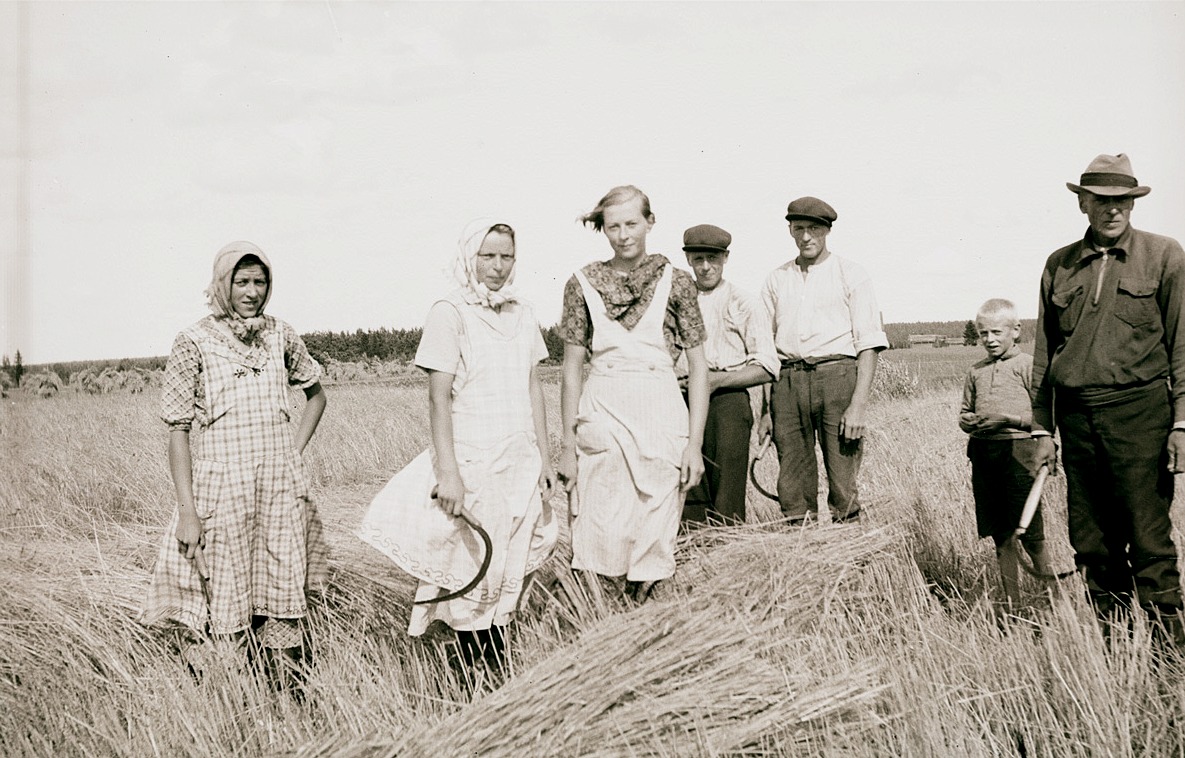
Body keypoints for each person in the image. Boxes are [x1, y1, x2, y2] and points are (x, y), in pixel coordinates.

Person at [141, 241, 329, 696]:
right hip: (223, 492)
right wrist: (188, 511)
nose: (251, 291)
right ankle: (234, 702)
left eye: (259, 281)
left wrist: (291, 455)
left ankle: (287, 699)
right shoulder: (193, 342)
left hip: (278, 490)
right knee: (227, 599)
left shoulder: (281, 334)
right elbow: (178, 431)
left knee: (281, 593)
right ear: (222, 284)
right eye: (241, 282)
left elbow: (316, 396)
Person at [372, 219, 557, 679]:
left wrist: (545, 458)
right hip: (474, 459)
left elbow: (533, 385)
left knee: (511, 569)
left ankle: (496, 678)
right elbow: (439, 397)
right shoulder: (449, 311)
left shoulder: (524, 313)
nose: (497, 267)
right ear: (469, 258)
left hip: (519, 459)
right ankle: (469, 684)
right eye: (487, 256)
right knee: (475, 569)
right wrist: (449, 473)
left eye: (506, 257)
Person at [1032, 153, 1185, 641]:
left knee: (1147, 537)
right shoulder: (1059, 264)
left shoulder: (1165, 256)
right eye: (1102, 200)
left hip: (1141, 415)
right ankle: (1116, 648)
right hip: (1077, 421)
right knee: (1092, 541)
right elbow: (1044, 356)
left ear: (1133, 204)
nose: (1113, 210)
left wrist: (1181, 423)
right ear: (1083, 204)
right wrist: (1042, 430)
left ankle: (1167, 653)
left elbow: (1183, 345)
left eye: (1122, 201)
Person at [557, 185, 709, 602]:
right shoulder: (581, 284)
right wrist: (568, 445)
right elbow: (571, 370)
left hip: (662, 417)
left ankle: (646, 632)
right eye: (613, 227)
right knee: (600, 528)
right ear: (602, 229)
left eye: (631, 224)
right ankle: (603, 627)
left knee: (655, 533)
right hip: (602, 414)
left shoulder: (677, 283)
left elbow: (698, 368)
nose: (623, 235)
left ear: (650, 222)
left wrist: (694, 445)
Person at [761, 197, 888, 524]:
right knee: (792, 483)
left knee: (843, 481)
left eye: (813, 229)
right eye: (798, 228)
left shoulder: (851, 274)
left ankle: (851, 557)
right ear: (790, 230)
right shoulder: (777, 279)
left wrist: (858, 405)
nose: (806, 236)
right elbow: (764, 349)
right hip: (787, 382)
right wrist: (765, 410)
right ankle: (802, 557)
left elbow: (869, 345)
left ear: (827, 230)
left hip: (837, 379)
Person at [678, 223, 778, 525]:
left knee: (726, 490)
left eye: (713, 258)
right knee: (687, 484)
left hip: (727, 402)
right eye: (698, 259)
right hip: (682, 402)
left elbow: (767, 366)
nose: (706, 267)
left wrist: (716, 381)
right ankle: (692, 559)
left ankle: (729, 558)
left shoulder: (743, 302)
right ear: (688, 261)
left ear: (725, 257)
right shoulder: (677, 302)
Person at [959, 298, 1052, 607]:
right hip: (985, 455)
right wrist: (969, 422)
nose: (990, 340)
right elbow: (964, 414)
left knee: (1031, 533)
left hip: (1021, 454)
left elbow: (1045, 414)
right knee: (1001, 535)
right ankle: (1013, 603)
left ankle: (1052, 598)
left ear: (1016, 331)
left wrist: (1008, 420)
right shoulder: (975, 371)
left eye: (997, 332)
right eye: (983, 333)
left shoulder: (1028, 366)